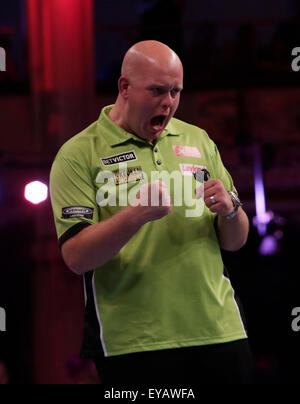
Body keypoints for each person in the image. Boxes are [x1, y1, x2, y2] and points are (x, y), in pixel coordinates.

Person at [50, 40, 253, 385]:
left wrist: (231, 211)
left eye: (176, 91)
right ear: (124, 87)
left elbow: (235, 241)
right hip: (134, 342)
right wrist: (136, 214)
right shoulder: (78, 154)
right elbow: (76, 257)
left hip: (220, 331)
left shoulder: (199, 139)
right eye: (157, 90)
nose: (168, 102)